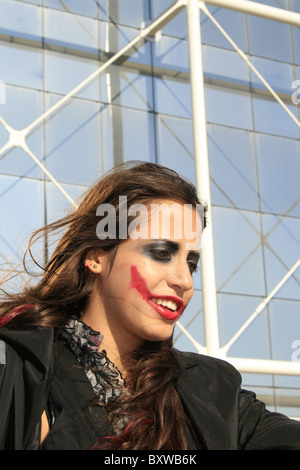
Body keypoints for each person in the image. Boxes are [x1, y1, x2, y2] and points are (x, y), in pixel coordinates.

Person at [0, 160, 300, 451]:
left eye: (191, 263)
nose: (184, 280)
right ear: (96, 256)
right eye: (161, 252)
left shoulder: (215, 389)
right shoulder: (19, 370)